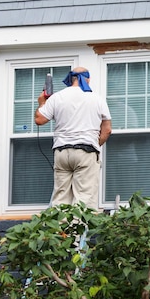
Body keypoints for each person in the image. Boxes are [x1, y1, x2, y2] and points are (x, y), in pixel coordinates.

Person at [34, 67, 112, 211]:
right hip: (85, 151)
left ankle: (60, 232)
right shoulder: (96, 99)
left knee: (60, 198)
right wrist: (95, 144)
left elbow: (39, 119)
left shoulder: (58, 97)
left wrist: (42, 103)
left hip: (62, 153)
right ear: (87, 79)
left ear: (71, 79)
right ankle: (78, 232)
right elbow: (107, 130)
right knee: (84, 199)